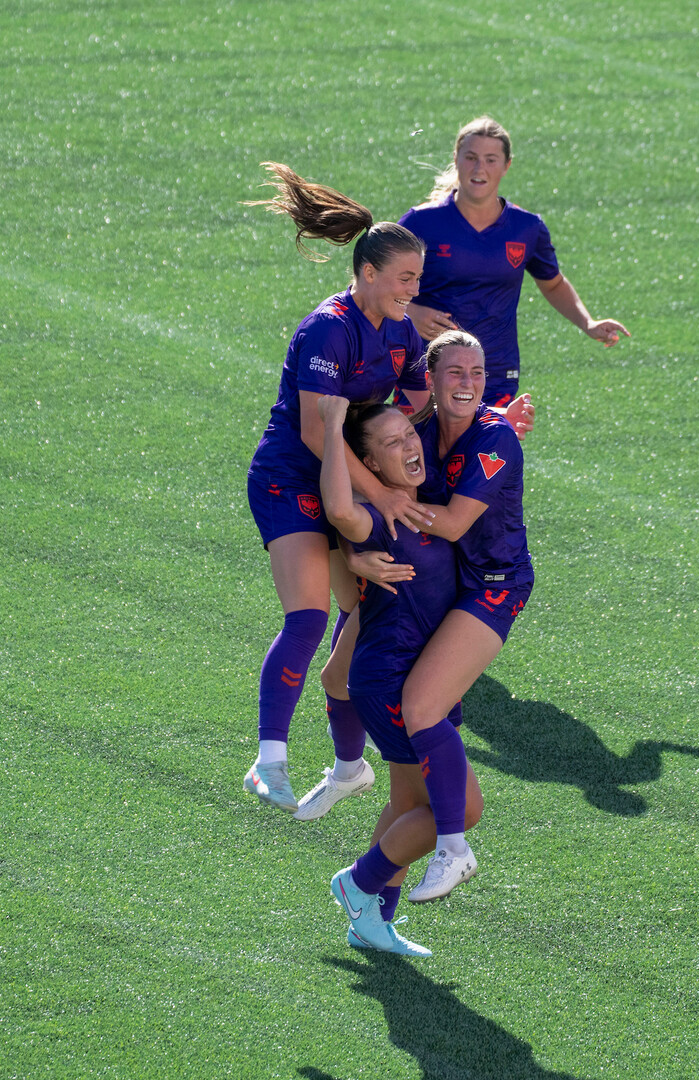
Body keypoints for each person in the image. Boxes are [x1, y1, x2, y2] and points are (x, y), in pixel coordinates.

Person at [241, 163, 437, 816]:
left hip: (344, 484)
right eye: (405, 278)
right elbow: (316, 430)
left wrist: (462, 420)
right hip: (290, 478)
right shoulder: (330, 327)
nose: (414, 290)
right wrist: (381, 493)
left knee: (362, 611)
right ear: (369, 273)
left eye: (418, 278)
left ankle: (349, 765)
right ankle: (268, 761)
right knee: (308, 615)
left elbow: (419, 399)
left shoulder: (401, 331)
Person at [316, 394, 483, 956]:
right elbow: (340, 509)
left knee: (411, 806)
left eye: (409, 435)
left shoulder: (427, 502)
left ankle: (371, 921)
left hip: (426, 675)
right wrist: (333, 424)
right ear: (370, 465)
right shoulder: (376, 517)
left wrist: (502, 423)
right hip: (392, 682)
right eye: (392, 443)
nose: (410, 445)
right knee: (460, 809)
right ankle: (358, 884)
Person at [392, 330, 536, 904]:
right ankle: (371, 895)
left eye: (477, 374)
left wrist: (393, 503)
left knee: (421, 706)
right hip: (445, 586)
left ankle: (454, 848)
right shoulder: (420, 433)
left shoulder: (496, 438)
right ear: (430, 379)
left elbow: (452, 524)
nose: (468, 383)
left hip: (494, 588)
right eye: (455, 372)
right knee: (416, 717)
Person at [400, 116, 630, 408]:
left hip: (494, 372)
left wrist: (588, 323)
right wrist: (411, 312)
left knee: (488, 440)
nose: (479, 168)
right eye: (471, 158)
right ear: (456, 159)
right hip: (426, 372)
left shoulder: (526, 228)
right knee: (419, 440)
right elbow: (373, 283)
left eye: (491, 160)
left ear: (507, 165)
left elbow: (553, 284)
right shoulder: (421, 222)